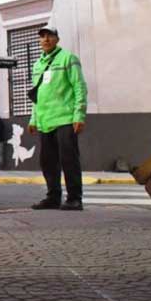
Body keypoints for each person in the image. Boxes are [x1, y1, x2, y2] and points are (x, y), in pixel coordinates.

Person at [29, 24, 88, 211]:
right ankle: (53, 197)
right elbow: (36, 95)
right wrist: (33, 119)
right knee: (47, 161)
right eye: (42, 36)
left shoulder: (68, 59)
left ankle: (74, 198)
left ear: (57, 39)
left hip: (65, 118)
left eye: (50, 36)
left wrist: (79, 115)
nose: (45, 39)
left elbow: (80, 87)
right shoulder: (37, 64)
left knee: (69, 159)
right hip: (45, 121)